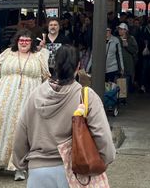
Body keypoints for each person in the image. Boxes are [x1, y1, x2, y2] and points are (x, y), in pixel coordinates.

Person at [13, 46, 116, 188]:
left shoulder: (35, 94)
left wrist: (21, 163)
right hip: (73, 172)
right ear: (78, 65)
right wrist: (103, 159)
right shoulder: (86, 96)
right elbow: (102, 135)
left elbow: (21, 132)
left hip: (37, 172)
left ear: (55, 64)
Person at [0, 29, 50, 181]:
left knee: (22, 131)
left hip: (28, 99)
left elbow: (46, 78)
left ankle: (19, 167)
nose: (24, 43)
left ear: (32, 42)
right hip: (4, 98)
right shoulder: (7, 53)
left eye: (27, 41)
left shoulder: (39, 56)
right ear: (16, 41)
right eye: (21, 40)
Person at [117, 23, 138, 90]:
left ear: (125, 30)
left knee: (125, 82)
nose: (119, 31)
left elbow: (135, 50)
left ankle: (123, 97)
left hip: (128, 63)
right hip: (118, 63)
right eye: (119, 29)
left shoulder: (131, 39)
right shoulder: (116, 39)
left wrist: (127, 46)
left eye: (121, 29)